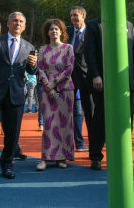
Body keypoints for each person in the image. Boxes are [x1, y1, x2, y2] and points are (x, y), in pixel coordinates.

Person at [0, 12, 37, 182]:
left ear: (24, 26)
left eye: (21, 21)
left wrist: (34, 66)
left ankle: (7, 165)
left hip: (16, 96)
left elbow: (31, 71)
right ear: (8, 23)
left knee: (12, 134)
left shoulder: (29, 46)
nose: (18, 23)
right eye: (15, 20)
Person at [83, 18, 134, 171]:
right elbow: (89, 53)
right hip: (103, 82)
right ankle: (96, 157)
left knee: (127, 121)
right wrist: (96, 75)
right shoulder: (93, 25)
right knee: (100, 121)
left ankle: (122, 155)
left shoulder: (128, 24)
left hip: (126, 82)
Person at [35, 19, 75, 171]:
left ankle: (62, 157)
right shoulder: (43, 49)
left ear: (61, 31)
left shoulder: (68, 48)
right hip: (48, 92)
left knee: (64, 124)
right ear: (47, 32)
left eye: (56, 29)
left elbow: (69, 68)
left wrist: (54, 84)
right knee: (49, 124)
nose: (54, 31)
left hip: (65, 90)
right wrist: (49, 86)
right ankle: (45, 158)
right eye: (51, 29)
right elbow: (40, 70)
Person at [66, 6, 88, 152]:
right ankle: (78, 143)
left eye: (76, 15)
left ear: (83, 16)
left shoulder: (91, 31)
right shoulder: (66, 31)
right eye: (72, 15)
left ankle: (93, 142)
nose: (73, 18)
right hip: (68, 78)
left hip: (88, 77)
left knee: (88, 111)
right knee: (75, 111)